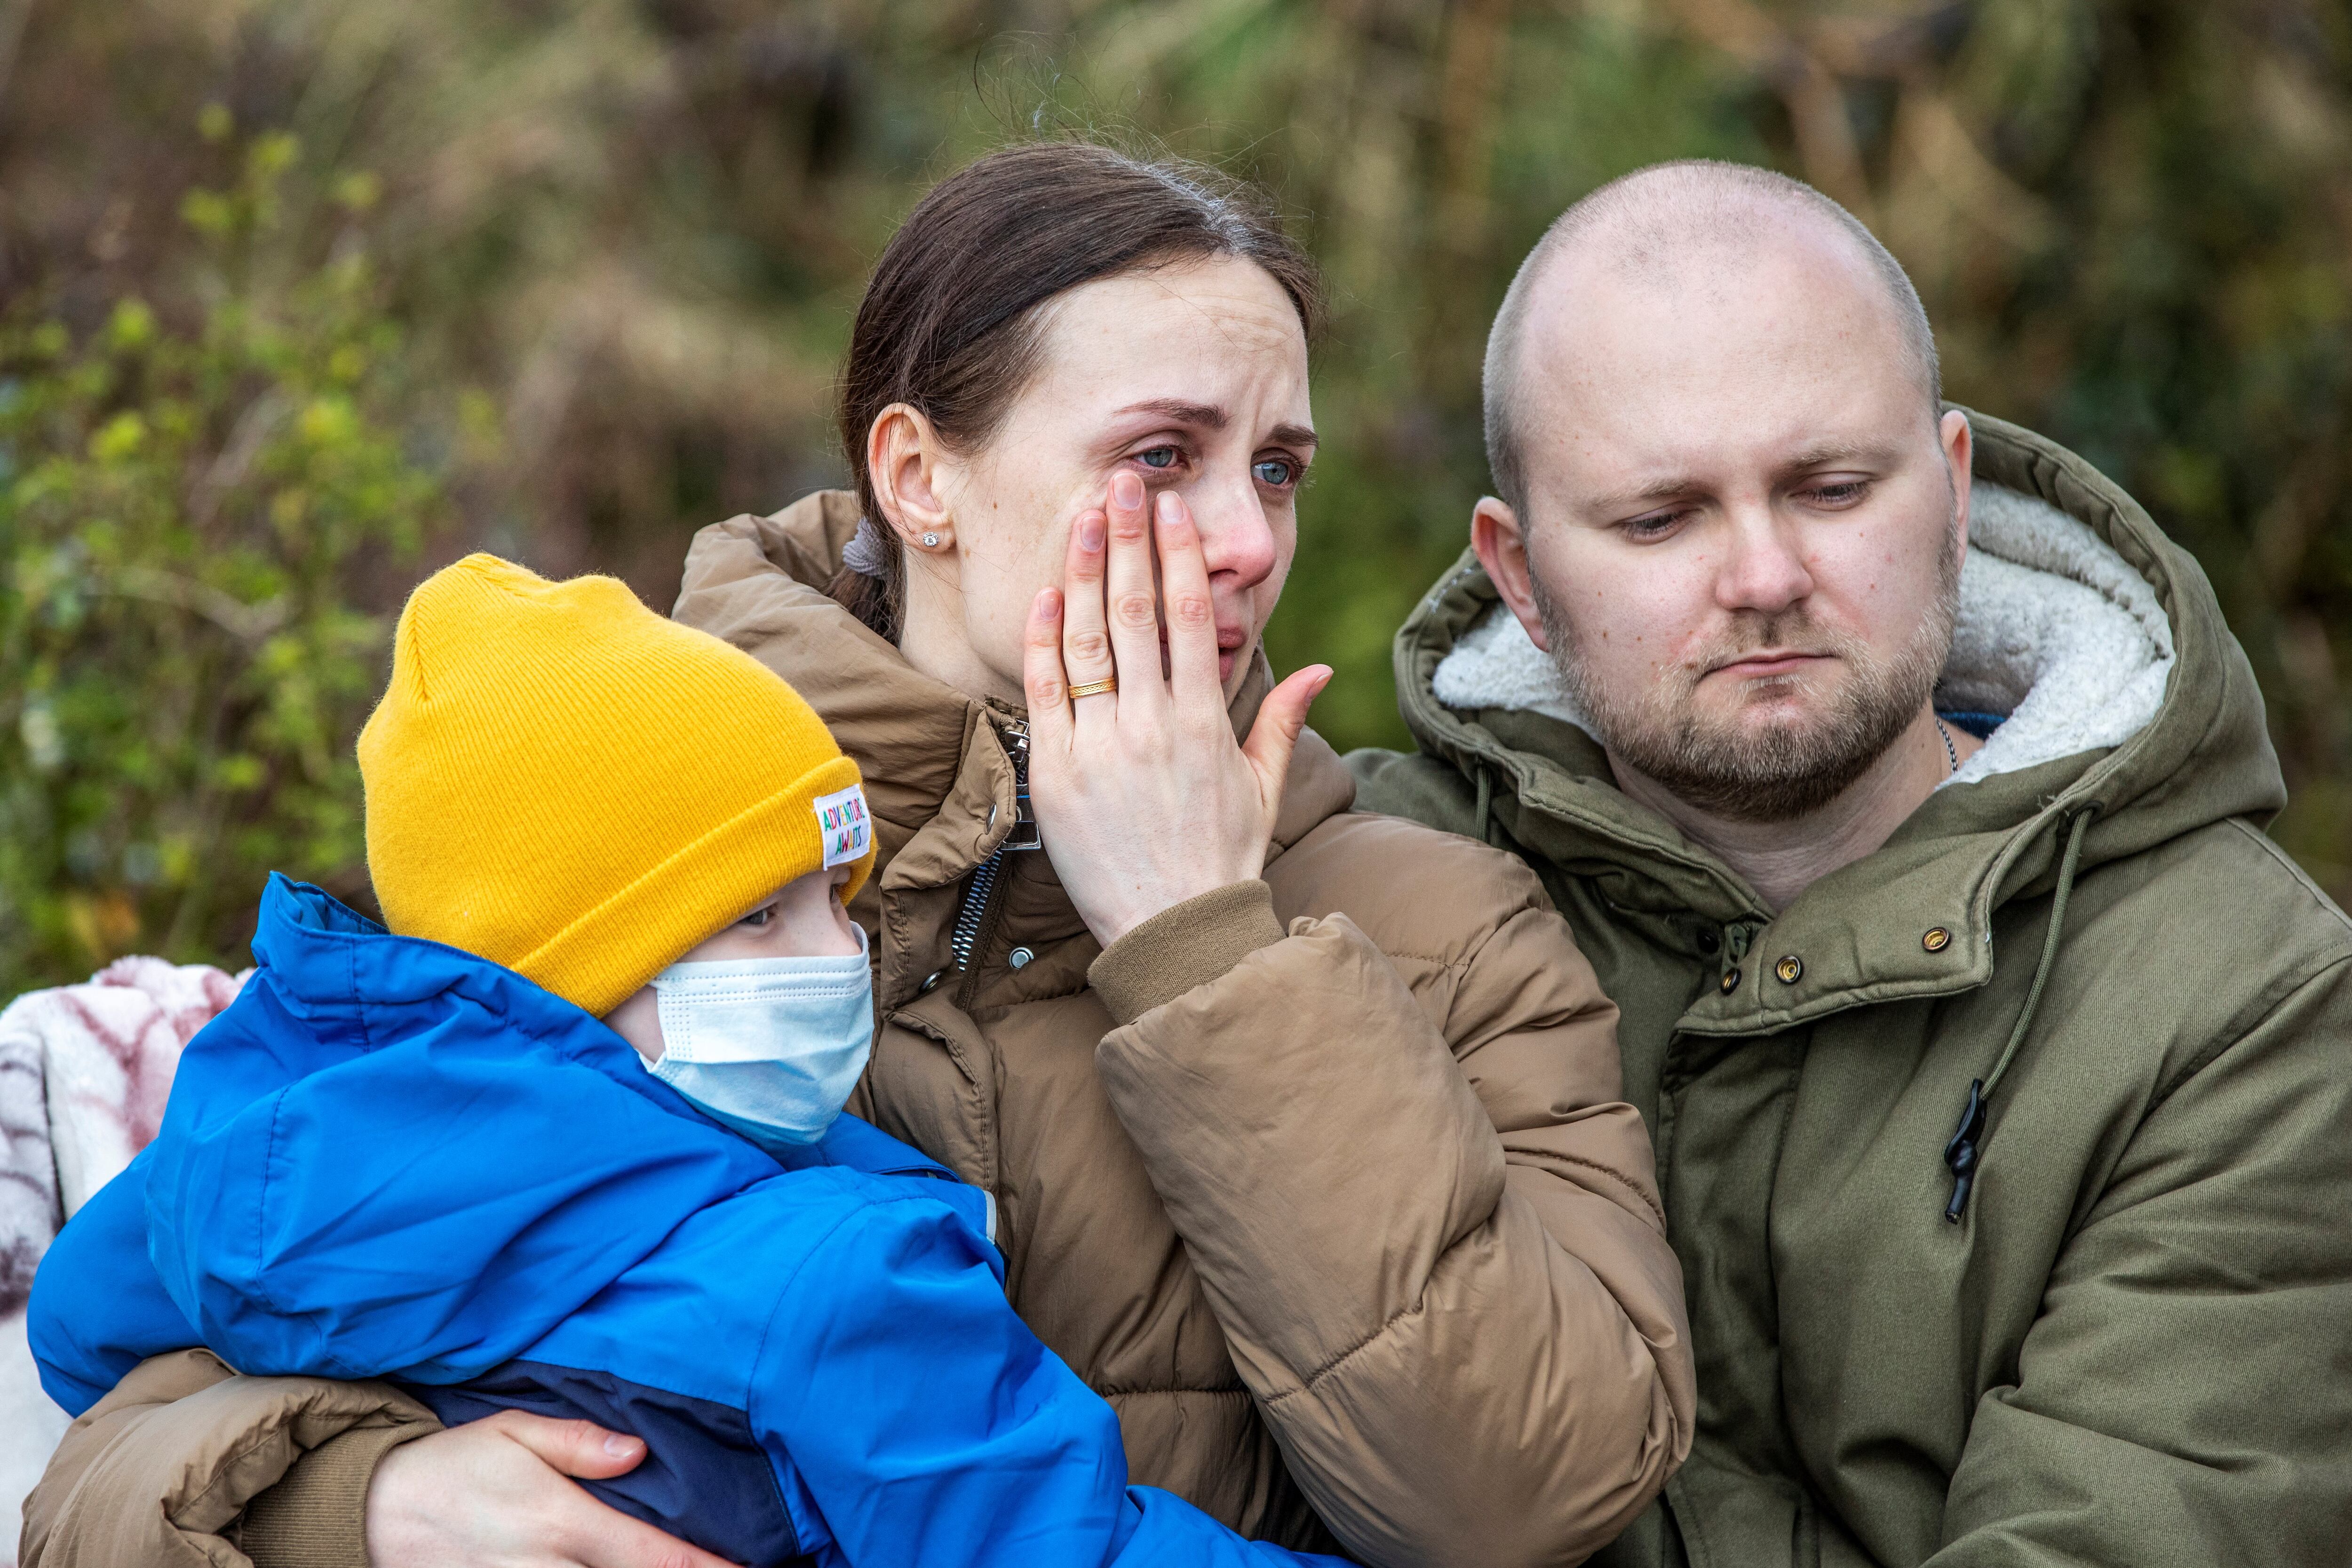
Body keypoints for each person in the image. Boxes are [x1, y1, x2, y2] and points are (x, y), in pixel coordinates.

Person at [24, 144, 1694, 1568]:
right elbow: (113, 1439)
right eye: (1162, 456)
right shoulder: (624, 805)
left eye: (1278, 469)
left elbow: (1528, 1502)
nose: (1250, 540)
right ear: (920, 478)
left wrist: (1208, 946)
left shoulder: (1439, 917)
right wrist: (362, 1502)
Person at [1350, 159, 2352, 1565]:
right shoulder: (1351, 899)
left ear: (1949, 489)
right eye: (1661, 518)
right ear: (1517, 572)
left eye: (1828, 488)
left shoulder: (2244, 995)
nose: (1762, 577)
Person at [31, 552, 1358, 1568]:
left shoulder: (237, 1165)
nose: (840, 955)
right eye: (760, 917)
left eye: (836, 899)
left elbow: (83, 1327)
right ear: (579, 973)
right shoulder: (836, 1275)